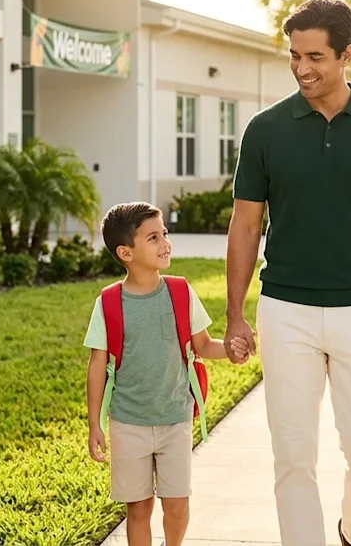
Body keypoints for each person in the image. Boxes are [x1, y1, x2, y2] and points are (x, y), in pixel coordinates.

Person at [223, 0, 351, 546]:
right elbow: (245, 227)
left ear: (347, 55)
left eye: (315, 56)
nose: (302, 68)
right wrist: (235, 315)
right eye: (294, 56)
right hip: (284, 309)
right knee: (292, 454)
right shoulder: (265, 130)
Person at [85, 202, 248, 546]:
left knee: (177, 505)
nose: (165, 243)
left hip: (175, 418)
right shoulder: (109, 302)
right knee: (139, 509)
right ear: (125, 252)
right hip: (129, 423)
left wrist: (230, 350)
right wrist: (94, 424)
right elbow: (97, 365)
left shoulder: (179, 292)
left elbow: (202, 345)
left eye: (165, 234)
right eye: (153, 237)